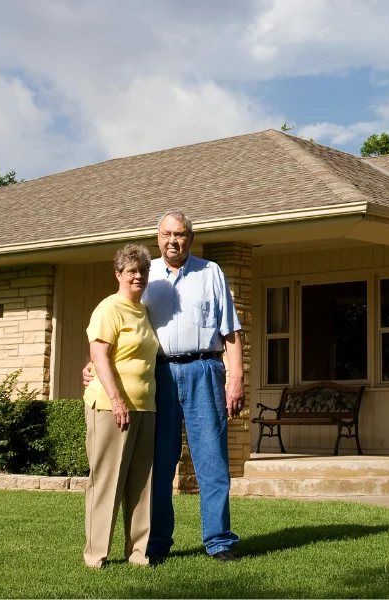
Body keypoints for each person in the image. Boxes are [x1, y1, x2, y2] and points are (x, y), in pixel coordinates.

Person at [84, 210, 245, 563]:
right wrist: (96, 362)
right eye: (167, 234)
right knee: (158, 463)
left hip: (205, 369)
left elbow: (230, 331)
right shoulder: (145, 274)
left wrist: (236, 378)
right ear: (158, 238)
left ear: (191, 237)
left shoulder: (211, 273)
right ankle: (155, 543)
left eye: (181, 234)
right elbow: (122, 329)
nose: (174, 240)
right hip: (159, 376)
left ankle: (218, 541)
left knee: (212, 460)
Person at [82, 244, 159, 569]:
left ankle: (138, 552)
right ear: (118, 274)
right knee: (107, 481)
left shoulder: (143, 311)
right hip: (111, 407)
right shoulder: (109, 309)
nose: (138, 276)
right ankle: (96, 554)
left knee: (141, 483)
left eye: (142, 271)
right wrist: (116, 400)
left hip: (145, 407)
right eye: (131, 271)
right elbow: (98, 356)